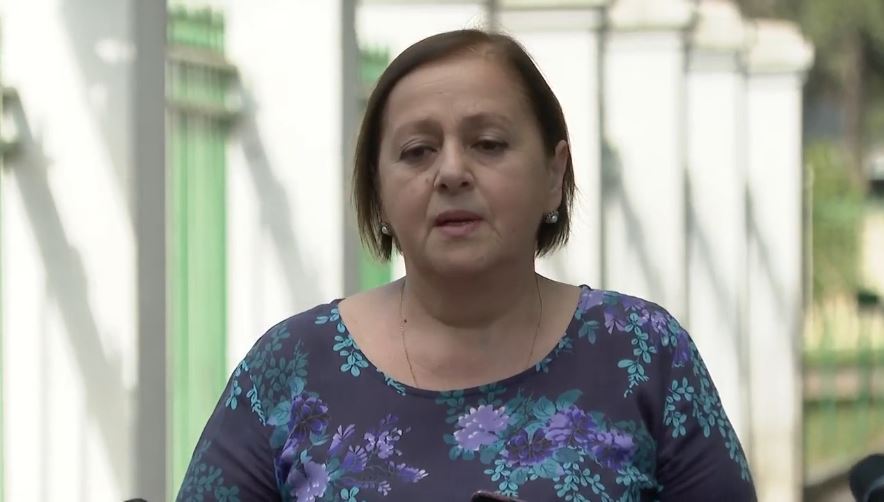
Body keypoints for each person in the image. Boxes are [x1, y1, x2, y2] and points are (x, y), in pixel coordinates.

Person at [177, 29, 756, 502]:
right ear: (378, 193)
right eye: (417, 152)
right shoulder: (290, 367)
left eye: (488, 144)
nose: (451, 172)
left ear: (553, 174)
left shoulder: (644, 353)